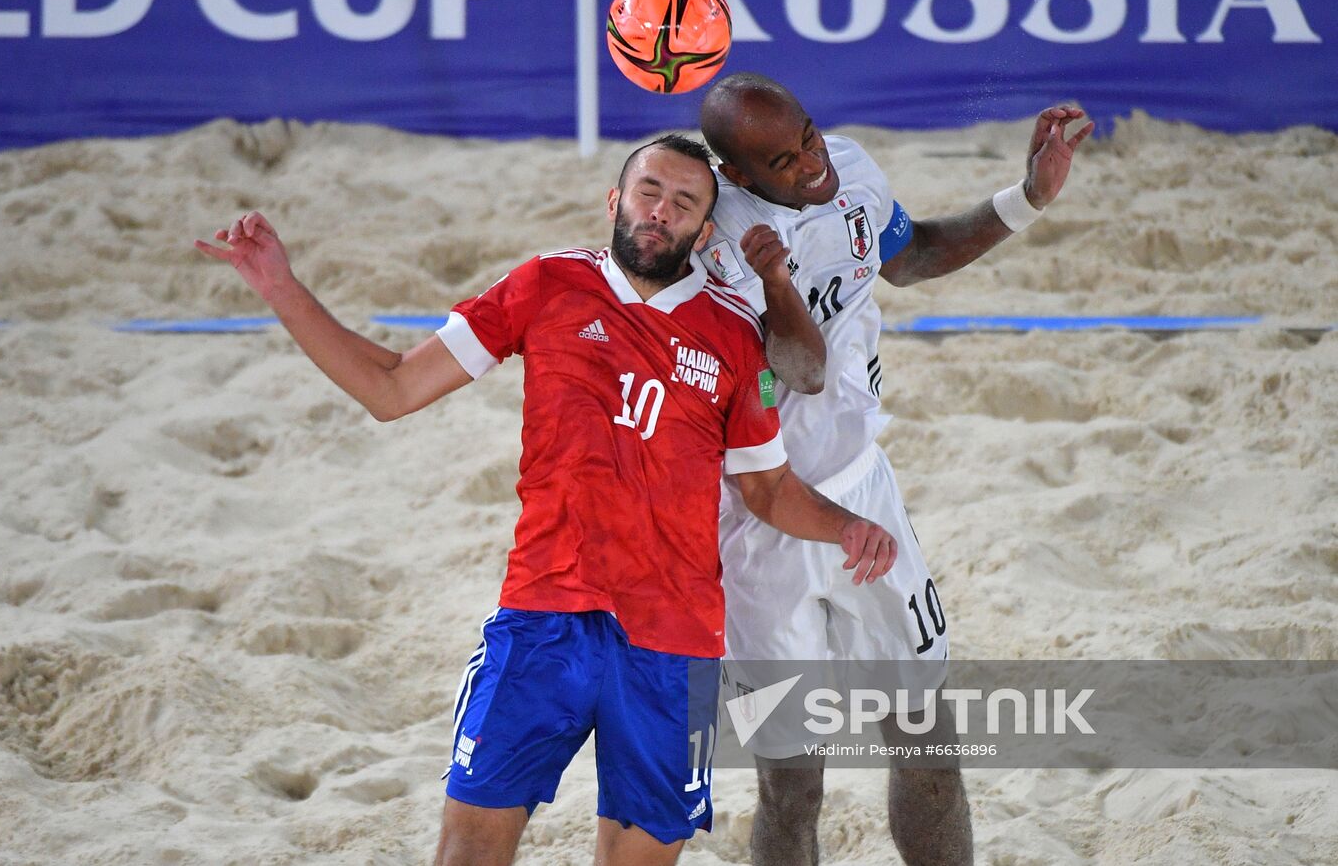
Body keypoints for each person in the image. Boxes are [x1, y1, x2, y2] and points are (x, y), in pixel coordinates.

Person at [194, 133, 904, 866]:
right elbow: (393, 386)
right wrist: (279, 285)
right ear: (615, 201)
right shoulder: (546, 284)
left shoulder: (731, 334)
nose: (661, 210)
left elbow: (766, 487)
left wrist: (849, 525)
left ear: (702, 229)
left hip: (673, 645)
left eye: (684, 202)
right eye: (649, 192)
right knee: (466, 853)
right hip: (543, 619)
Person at [698, 74, 1093, 866]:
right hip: (760, 525)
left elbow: (912, 259)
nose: (812, 161)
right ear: (738, 177)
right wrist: (776, 281)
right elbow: (800, 371)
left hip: (863, 490)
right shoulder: (719, 244)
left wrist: (1026, 197)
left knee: (930, 748)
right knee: (792, 785)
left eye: (808, 134)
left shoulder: (850, 167)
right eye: (785, 159)